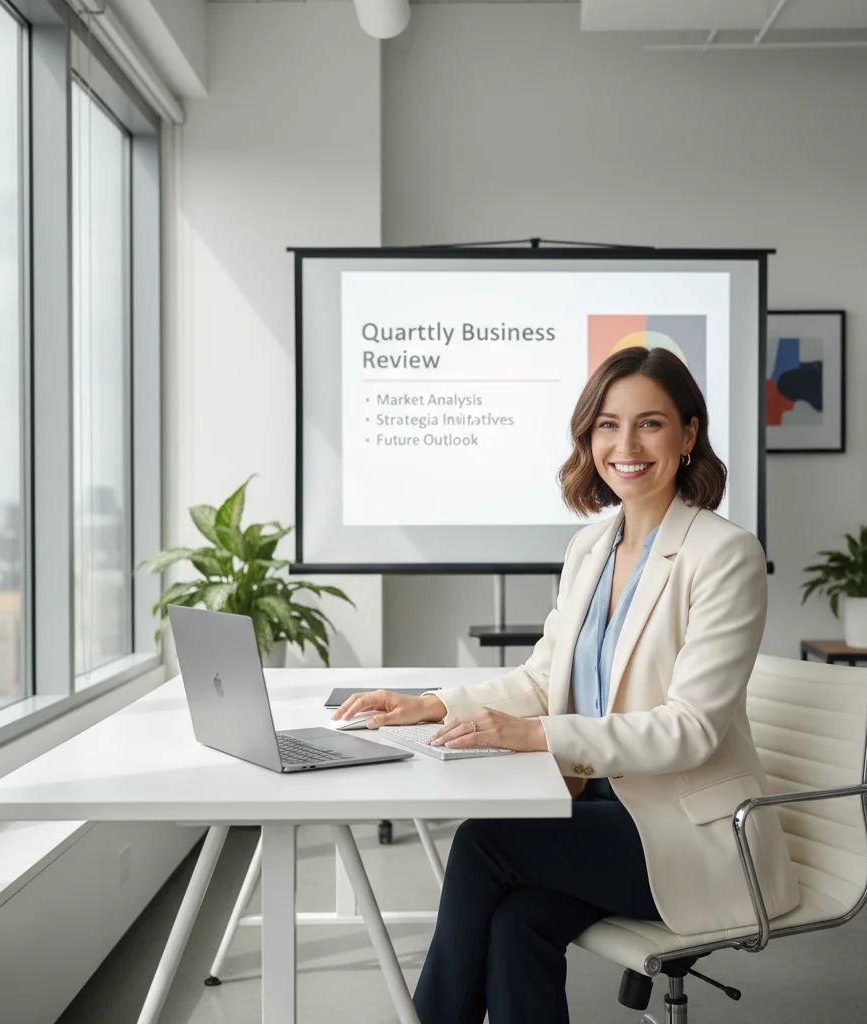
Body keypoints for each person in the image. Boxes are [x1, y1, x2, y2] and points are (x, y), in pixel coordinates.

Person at [333, 347, 800, 1024]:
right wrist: (429, 704)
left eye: (649, 424)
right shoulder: (591, 548)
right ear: (589, 438)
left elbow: (691, 728)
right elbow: (542, 679)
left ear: (688, 435)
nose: (625, 445)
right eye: (607, 425)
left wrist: (534, 735)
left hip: (691, 835)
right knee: (516, 923)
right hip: (607, 816)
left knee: (485, 842)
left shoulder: (724, 554)